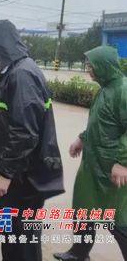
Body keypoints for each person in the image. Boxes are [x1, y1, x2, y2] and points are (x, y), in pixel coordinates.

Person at [0, 20, 64, 261]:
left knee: (21, 237)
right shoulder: (15, 70)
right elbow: (1, 90)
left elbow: (25, 133)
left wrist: (5, 173)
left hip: (23, 176)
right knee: (10, 232)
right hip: (21, 173)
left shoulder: (22, 76)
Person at [53, 46, 127, 261]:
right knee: (84, 211)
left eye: (91, 66)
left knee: (117, 220)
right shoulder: (105, 89)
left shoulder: (122, 90)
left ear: (104, 66)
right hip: (93, 165)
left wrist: (123, 163)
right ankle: (79, 253)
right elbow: (101, 123)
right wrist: (82, 138)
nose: (88, 70)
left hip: (112, 168)